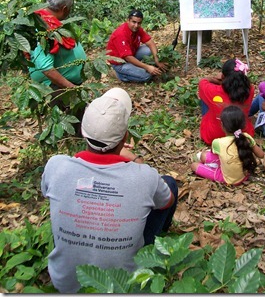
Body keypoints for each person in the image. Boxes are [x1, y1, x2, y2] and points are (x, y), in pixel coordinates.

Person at [41, 87, 178, 294]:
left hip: (66, 283)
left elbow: (47, 191)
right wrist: (136, 161)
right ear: (124, 137)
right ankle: (156, 249)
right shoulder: (145, 176)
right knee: (169, 185)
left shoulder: (56, 165)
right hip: (123, 285)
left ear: (83, 132)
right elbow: (166, 201)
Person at [28, 0, 86, 89]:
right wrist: (73, 88)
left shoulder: (51, 21)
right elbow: (46, 68)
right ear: (64, 9)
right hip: (54, 87)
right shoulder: (42, 28)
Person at [191, 105, 264, 185]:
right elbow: (261, 155)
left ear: (222, 125)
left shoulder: (218, 142)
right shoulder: (246, 137)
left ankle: (211, 169)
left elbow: (213, 155)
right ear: (243, 124)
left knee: (195, 165)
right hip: (245, 175)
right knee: (204, 156)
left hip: (227, 179)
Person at [198, 58, 255, 145]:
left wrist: (216, 80)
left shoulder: (213, 90)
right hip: (243, 136)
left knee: (207, 98)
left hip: (214, 137)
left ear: (223, 76)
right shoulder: (250, 90)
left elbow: (203, 82)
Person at [106, 9, 168, 83]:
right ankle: (119, 75)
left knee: (149, 50)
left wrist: (156, 59)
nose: (136, 25)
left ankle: (135, 66)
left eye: (139, 23)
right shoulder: (121, 34)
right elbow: (128, 57)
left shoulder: (138, 29)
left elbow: (150, 42)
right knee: (146, 76)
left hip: (132, 54)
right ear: (128, 20)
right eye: (134, 22)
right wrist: (147, 67)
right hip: (120, 63)